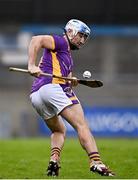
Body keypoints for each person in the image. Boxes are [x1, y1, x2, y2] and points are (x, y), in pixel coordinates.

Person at [28, 19, 115, 177]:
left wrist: (71, 80)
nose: (82, 40)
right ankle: (96, 161)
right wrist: (31, 65)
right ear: (70, 31)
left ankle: (54, 159)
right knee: (82, 125)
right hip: (51, 88)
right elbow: (36, 40)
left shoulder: (67, 57)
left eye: (85, 37)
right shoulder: (60, 42)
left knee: (59, 130)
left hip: (37, 95)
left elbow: (65, 79)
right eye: (80, 35)